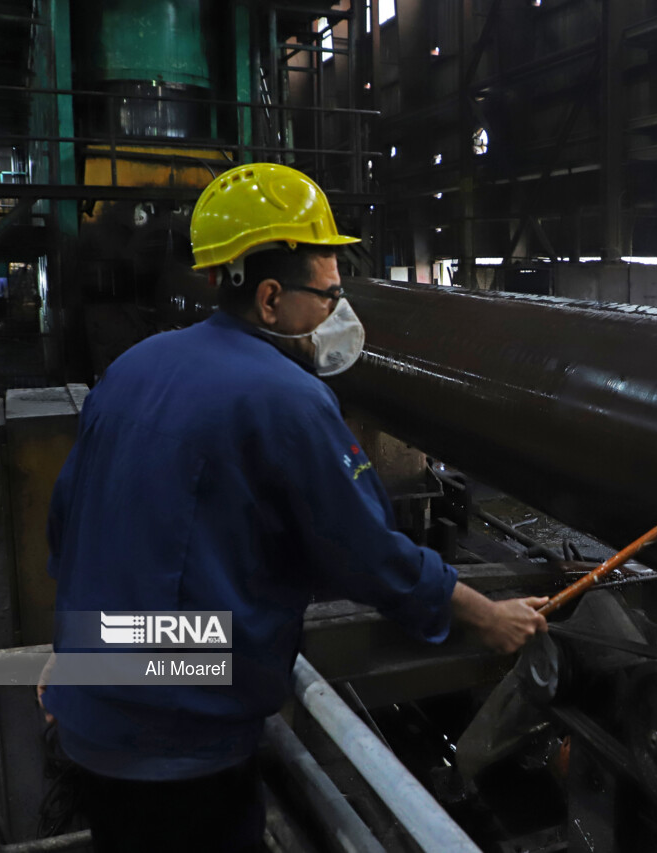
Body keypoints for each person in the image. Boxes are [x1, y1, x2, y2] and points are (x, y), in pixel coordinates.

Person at [40, 163, 548, 851]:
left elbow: (65, 525)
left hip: (93, 702)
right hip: (180, 742)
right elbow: (367, 554)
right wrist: (486, 614)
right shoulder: (288, 398)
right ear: (272, 297)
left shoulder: (133, 368)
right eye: (330, 295)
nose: (339, 313)